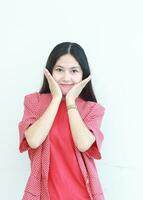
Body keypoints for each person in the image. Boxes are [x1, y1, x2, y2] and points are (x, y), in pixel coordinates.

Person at [18, 42, 106, 200]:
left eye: (74, 71)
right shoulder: (34, 102)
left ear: (83, 74)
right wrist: (56, 98)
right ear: (50, 71)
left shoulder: (92, 109)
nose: (66, 77)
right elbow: (33, 140)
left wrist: (70, 101)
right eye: (59, 70)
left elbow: (83, 144)